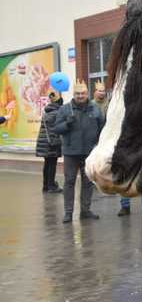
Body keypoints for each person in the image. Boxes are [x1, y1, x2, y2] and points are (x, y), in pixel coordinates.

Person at [53, 80, 104, 223]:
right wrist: (66, 124)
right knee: (69, 182)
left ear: (87, 94)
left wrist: (99, 145)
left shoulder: (94, 109)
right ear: (73, 94)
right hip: (71, 152)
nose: (80, 96)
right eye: (77, 94)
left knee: (88, 182)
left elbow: (102, 128)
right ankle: (68, 212)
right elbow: (56, 128)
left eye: (82, 93)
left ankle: (85, 211)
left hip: (89, 152)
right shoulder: (65, 109)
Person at [36, 90, 64, 193]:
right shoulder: (57, 113)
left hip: (45, 142)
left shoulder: (47, 112)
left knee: (47, 164)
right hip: (52, 143)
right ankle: (51, 186)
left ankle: (46, 185)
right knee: (52, 164)